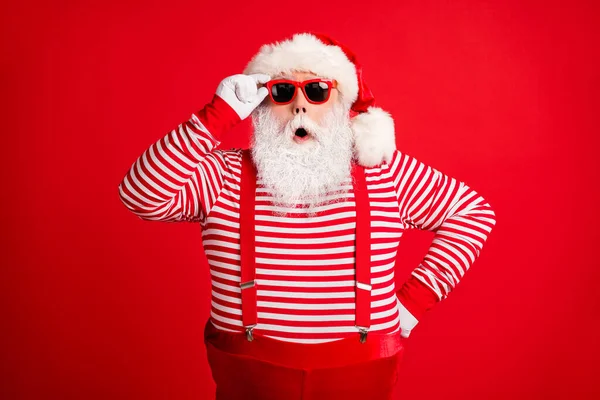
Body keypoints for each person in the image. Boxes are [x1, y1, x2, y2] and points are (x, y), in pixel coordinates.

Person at [118, 32, 497, 400]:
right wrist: (215, 117)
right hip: (249, 381)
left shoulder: (385, 173)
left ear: (340, 105)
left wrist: (414, 302)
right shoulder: (221, 175)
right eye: (283, 92)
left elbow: (473, 212)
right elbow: (140, 196)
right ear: (263, 105)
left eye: (316, 91)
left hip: (361, 380)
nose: (300, 106)